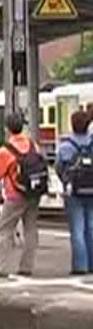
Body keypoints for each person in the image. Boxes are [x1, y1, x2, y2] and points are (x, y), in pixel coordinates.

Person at [0, 112, 45, 276]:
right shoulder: (33, 144)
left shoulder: (5, 150)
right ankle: (27, 266)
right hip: (33, 193)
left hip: (15, 195)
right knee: (30, 228)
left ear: (7, 128)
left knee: (5, 229)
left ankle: (1, 267)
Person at [56, 110, 93, 275]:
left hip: (74, 192)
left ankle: (80, 266)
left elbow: (59, 168)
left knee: (77, 229)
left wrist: (66, 182)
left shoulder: (66, 146)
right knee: (91, 227)